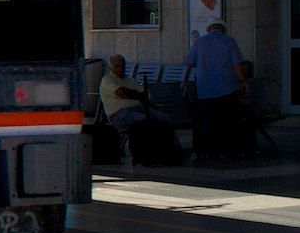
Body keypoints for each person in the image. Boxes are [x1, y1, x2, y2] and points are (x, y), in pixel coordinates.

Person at [185, 21, 251, 159]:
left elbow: (188, 62)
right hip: (226, 88)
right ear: (223, 30)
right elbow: (237, 64)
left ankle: (208, 150)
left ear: (208, 29)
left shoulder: (199, 42)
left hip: (204, 89)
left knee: (208, 120)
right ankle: (227, 149)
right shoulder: (229, 41)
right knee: (227, 120)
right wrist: (243, 81)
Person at [99, 55, 171, 129]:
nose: (120, 69)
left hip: (139, 108)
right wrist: (137, 95)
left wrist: (131, 94)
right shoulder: (106, 80)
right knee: (147, 121)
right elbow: (121, 92)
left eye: (122, 66)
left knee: (164, 118)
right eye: (117, 66)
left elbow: (146, 95)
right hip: (119, 113)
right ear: (110, 68)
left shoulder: (131, 80)